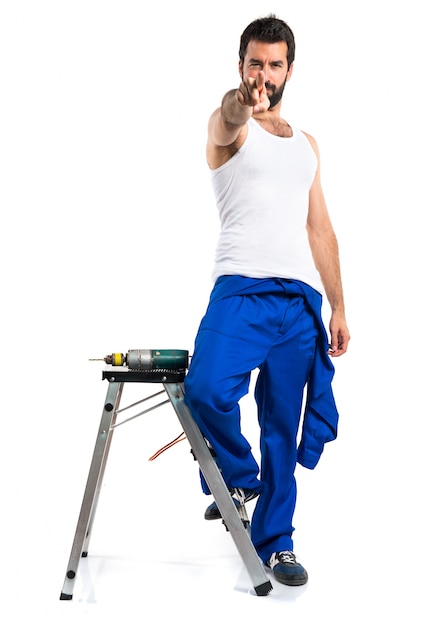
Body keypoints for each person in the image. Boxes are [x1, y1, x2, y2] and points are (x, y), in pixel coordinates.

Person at [184, 14, 350, 587]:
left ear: (289, 70)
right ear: (240, 66)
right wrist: (238, 102)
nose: (264, 74)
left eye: (274, 64)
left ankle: (277, 542)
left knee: (283, 424)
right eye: (255, 63)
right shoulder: (229, 129)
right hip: (241, 289)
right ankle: (238, 476)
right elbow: (225, 119)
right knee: (205, 388)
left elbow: (320, 229)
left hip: (300, 302)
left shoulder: (307, 145)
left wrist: (339, 306)